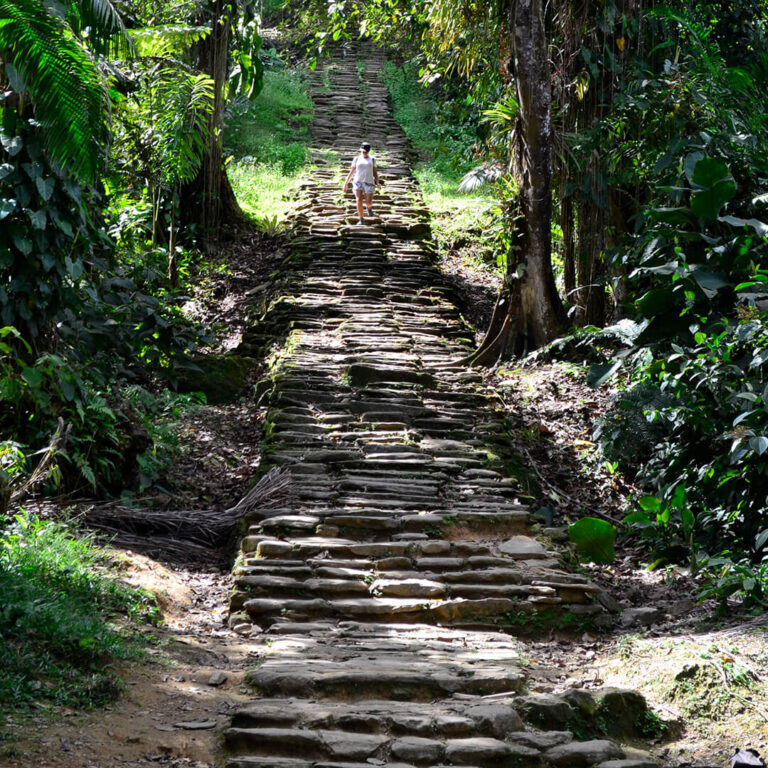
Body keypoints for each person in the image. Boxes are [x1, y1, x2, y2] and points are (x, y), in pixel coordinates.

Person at [343, 142, 379, 225]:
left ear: (369, 151)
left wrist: (377, 181)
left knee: (368, 202)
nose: (364, 153)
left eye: (366, 151)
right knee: (358, 200)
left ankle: (369, 208)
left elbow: (375, 172)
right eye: (363, 151)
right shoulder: (356, 159)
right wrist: (346, 183)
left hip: (369, 182)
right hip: (358, 182)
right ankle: (361, 219)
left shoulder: (372, 159)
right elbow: (352, 171)